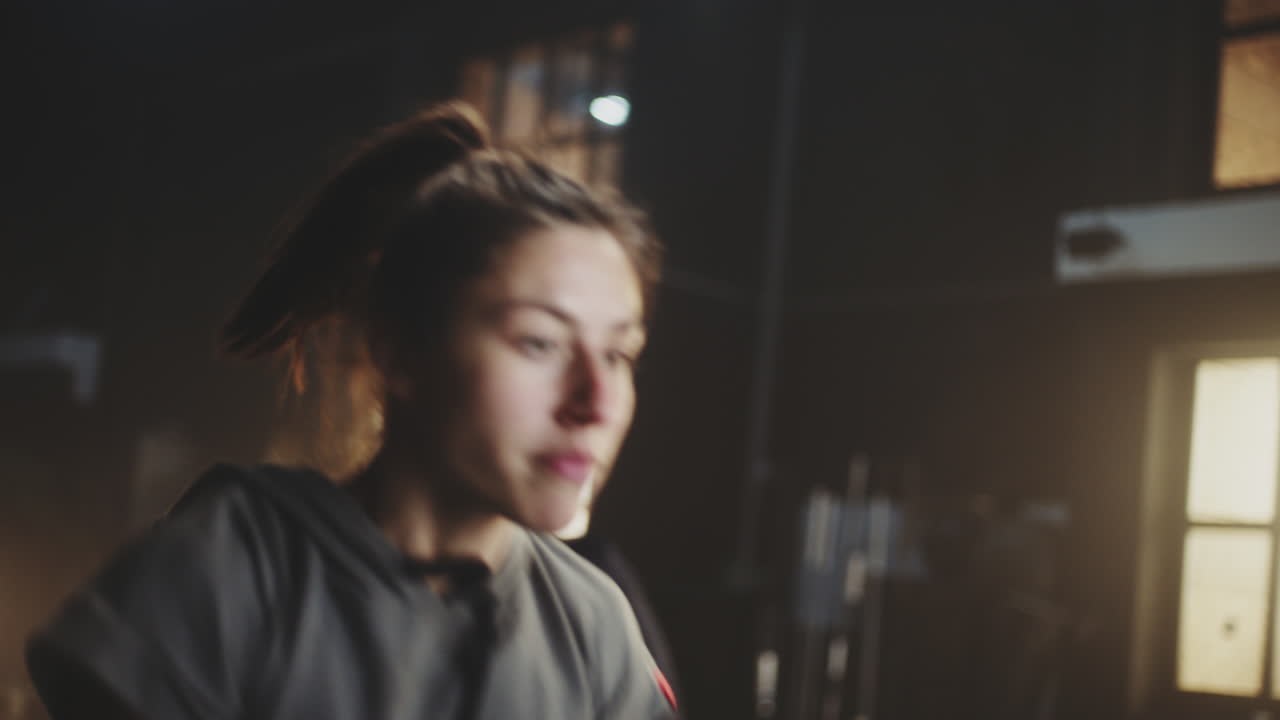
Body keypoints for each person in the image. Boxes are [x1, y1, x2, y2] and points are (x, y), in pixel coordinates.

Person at [25, 101, 677, 720]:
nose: (595, 402)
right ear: (398, 349)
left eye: (620, 355)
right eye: (539, 342)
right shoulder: (236, 564)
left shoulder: (595, 630)